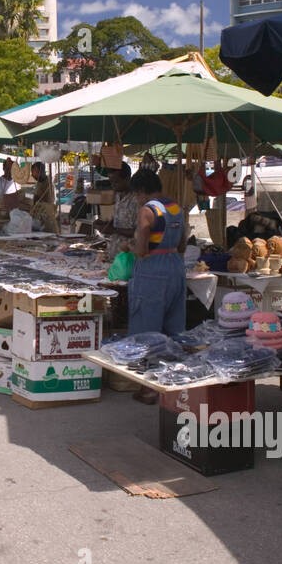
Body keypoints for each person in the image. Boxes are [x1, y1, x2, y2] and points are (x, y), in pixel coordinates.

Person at [129, 170, 188, 405]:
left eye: (136, 194)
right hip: (175, 267)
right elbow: (182, 243)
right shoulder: (176, 208)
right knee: (174, 328)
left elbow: (142, 250)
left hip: (152, 270)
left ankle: (149, 389)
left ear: (141, 191)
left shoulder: (147, 211)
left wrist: (128, 246)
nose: (137, 199)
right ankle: (173, 386)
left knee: (147, 329)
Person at [99, 163, 139, 258]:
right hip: (114, 252)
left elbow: (139, 232)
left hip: (129, 256)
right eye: (111, 182)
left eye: (116, 182)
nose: (113, 185)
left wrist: (114, 230)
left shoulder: (137, 199)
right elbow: (119, 221)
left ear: (127, 179)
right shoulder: (117, 195)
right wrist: (105, 224)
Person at [28, 161, 59, 233]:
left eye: (33, 172)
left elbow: (42, 200)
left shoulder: (47, 183)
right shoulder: (40, 182)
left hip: (45, 216)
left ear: (38, 171)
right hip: (40, 216)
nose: (32, 175)